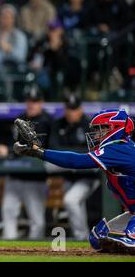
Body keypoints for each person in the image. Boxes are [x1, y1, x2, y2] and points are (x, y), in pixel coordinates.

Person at [13, 108, 135, 252]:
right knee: (99, 238)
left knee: (129, 239)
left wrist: (40, 152)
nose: (97, 134)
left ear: (116, 128)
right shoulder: (120, 148)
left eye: (102, 128)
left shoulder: (120, 148)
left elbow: (76, 161)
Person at [0, 86, 52, 239]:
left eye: (35, 101)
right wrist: (5, 149)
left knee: (37, 220)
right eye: (29, 101)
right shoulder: (19, 119)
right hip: (15, 176)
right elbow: (11, 143)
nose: (32, 104)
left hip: (35, 178)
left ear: (41, 102)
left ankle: (37, 254)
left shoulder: (48, 121)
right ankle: (8, 251)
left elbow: (44, 148)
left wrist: (11, 150)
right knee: (8, 212)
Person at [49, 95, 99, 240]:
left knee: (71, 200)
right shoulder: (58, 124)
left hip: (88, 176)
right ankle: (81, 238)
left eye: (74, 109)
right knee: (75, 205)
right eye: (69, 109)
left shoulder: (89, 125)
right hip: (68, 177)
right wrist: (76, 153)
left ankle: (82, 237)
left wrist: (71, 155)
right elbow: (54, 147)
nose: (71, 112)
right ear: (65, 110)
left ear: (81, 109)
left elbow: (92, 151)